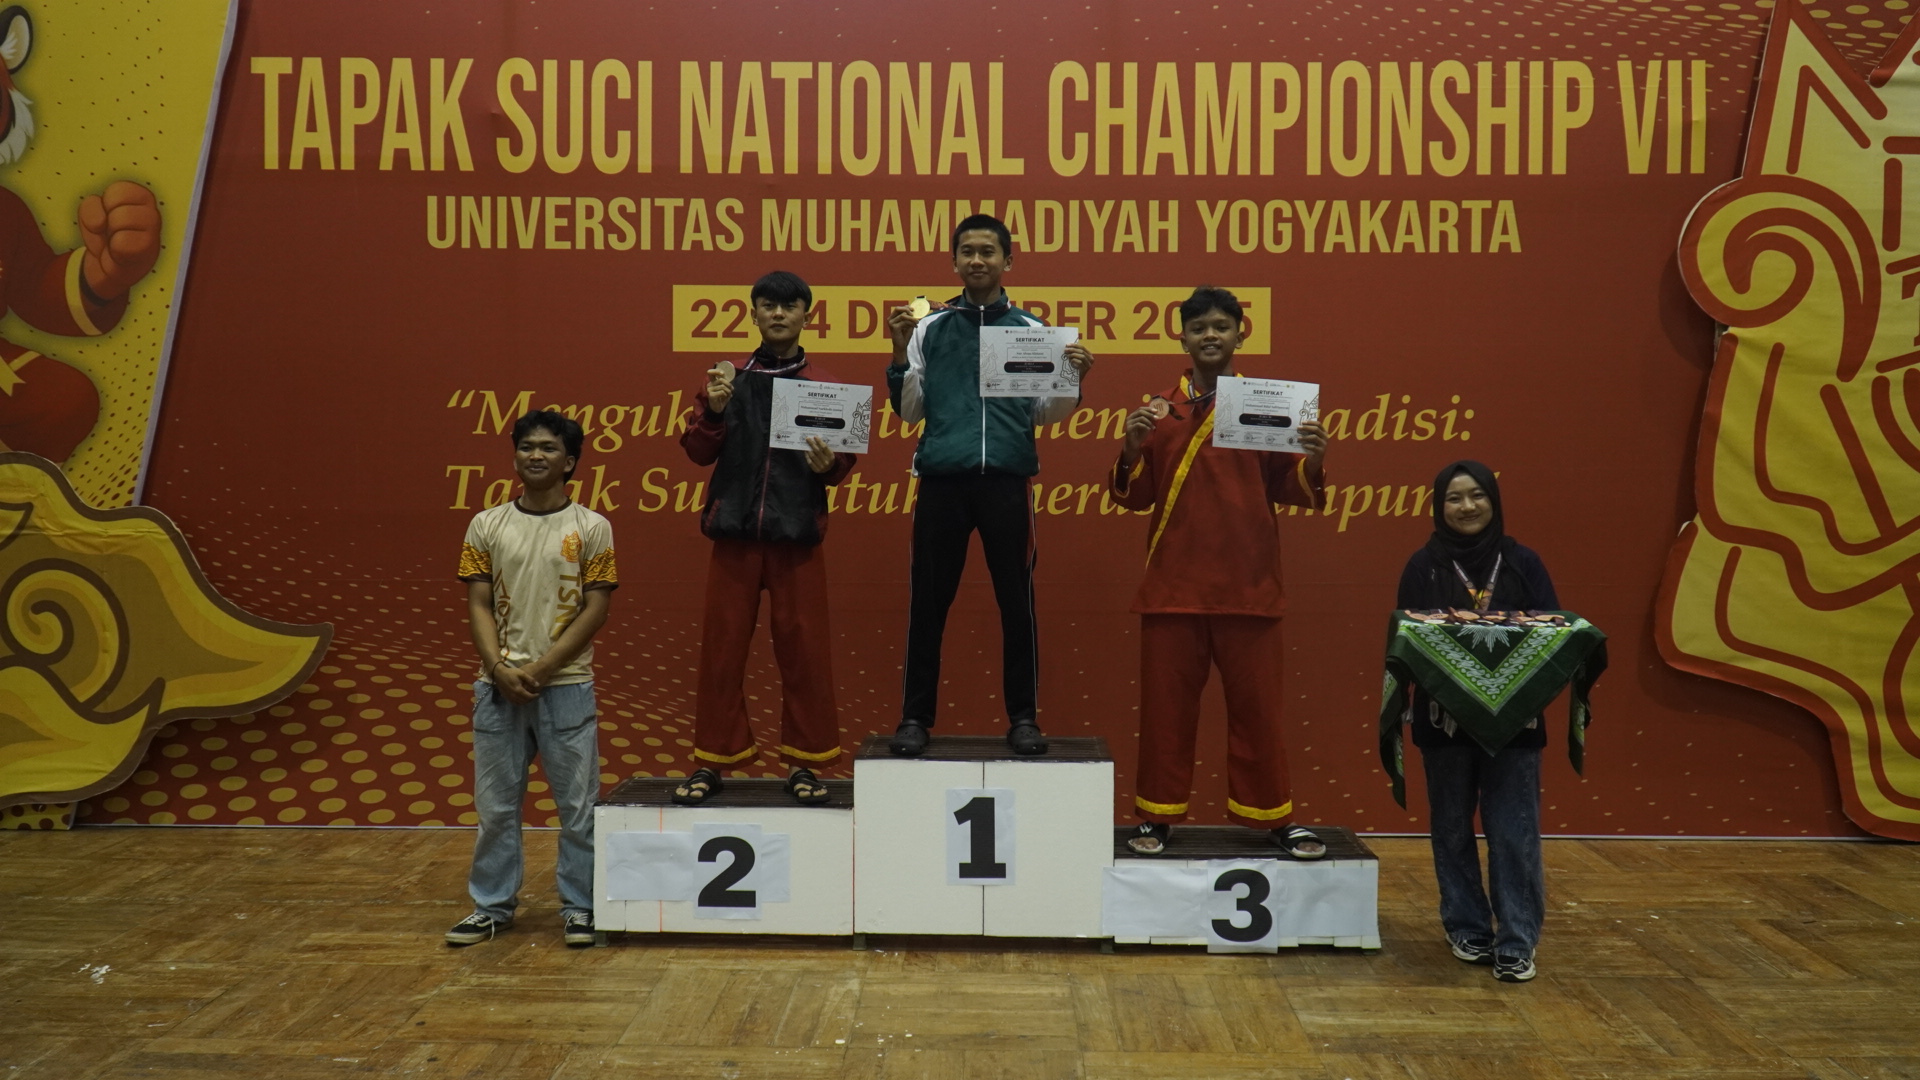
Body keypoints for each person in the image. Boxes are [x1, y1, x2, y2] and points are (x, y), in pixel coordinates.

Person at [1108, 286, 1329, 859]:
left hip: (1249, 587)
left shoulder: (1267, 405)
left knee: (1260, 716)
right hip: (1172, 589)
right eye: (1199, 327)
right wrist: (1131, 450)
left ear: (1239, 334)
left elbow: (1290, 488)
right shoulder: (1158, 411)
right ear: (1181, 336)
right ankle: (1156, 817)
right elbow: (1134, 497)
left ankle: (1274, 817)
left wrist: (1314, 459)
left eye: (1221, 326)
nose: (1210, 335)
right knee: (1166, 717)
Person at [883, 213, 1094, 757]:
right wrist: (898, 354)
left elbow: (1046, 414)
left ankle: (1023, 719)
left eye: (988, 251)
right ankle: (914, 719)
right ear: (954, 261)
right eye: (968, 252)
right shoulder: (929, 327)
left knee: (1016, 603)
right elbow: (910, 412)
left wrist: (1072, 378)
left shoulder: (1032, 331)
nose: (977, 260)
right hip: (942, 482)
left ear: (1008, 260)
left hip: (1006, 482)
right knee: (928, 604)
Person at [673, 270, 856, 806]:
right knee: (722, 653)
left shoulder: (826, 386)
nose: (778, 314)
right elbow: (698, 452)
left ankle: (805, 764)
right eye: (768, 305)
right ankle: (712, 761)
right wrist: (714, 410)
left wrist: (829, 465)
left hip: (797, 536)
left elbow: (841, 464)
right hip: (734, 536)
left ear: (807, 315)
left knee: (805, 654)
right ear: (752, 314)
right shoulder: (725, 379)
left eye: (789, 306)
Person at [447, 410, 617, 948]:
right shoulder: (486, 524)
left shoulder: (592, 527)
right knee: (496, 809)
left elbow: (596, 608)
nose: (535, 456)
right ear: (515, 456)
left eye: (548, 448)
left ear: (570, 462)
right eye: (526, 447)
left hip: (566, 687)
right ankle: (491, 907)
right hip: (496, 689)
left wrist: (541, 669)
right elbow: (478, 603)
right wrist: (499, 669)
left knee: (578, 809)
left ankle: (581, 907)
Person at [1396, 460, 1559, 983]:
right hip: (1443, 723)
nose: (1467, 507)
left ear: (1493, 500)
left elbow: (1554, 634)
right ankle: (1466, 926)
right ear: (1438, 507)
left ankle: (1516, 939)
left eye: (1477, 496)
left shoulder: (1523, 562)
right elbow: (1406, 642)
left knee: (1513, 832)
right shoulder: (1423, 566)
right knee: (1451, 828)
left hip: (1514, 725)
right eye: (1454, 498)